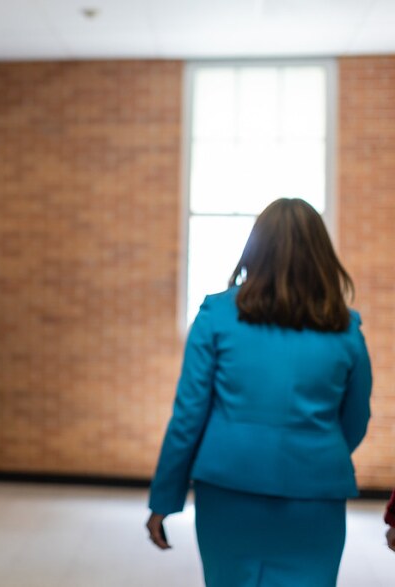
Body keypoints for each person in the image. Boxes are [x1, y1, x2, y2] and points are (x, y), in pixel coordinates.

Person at [146, 198, 372, 586]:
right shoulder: (345, 329)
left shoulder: (216, 316)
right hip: (315, 496)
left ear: (256, 247)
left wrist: (165, 499)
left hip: (228, 488)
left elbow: (188, 416)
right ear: (321, 255)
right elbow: (354, 420)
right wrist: (317, 452)